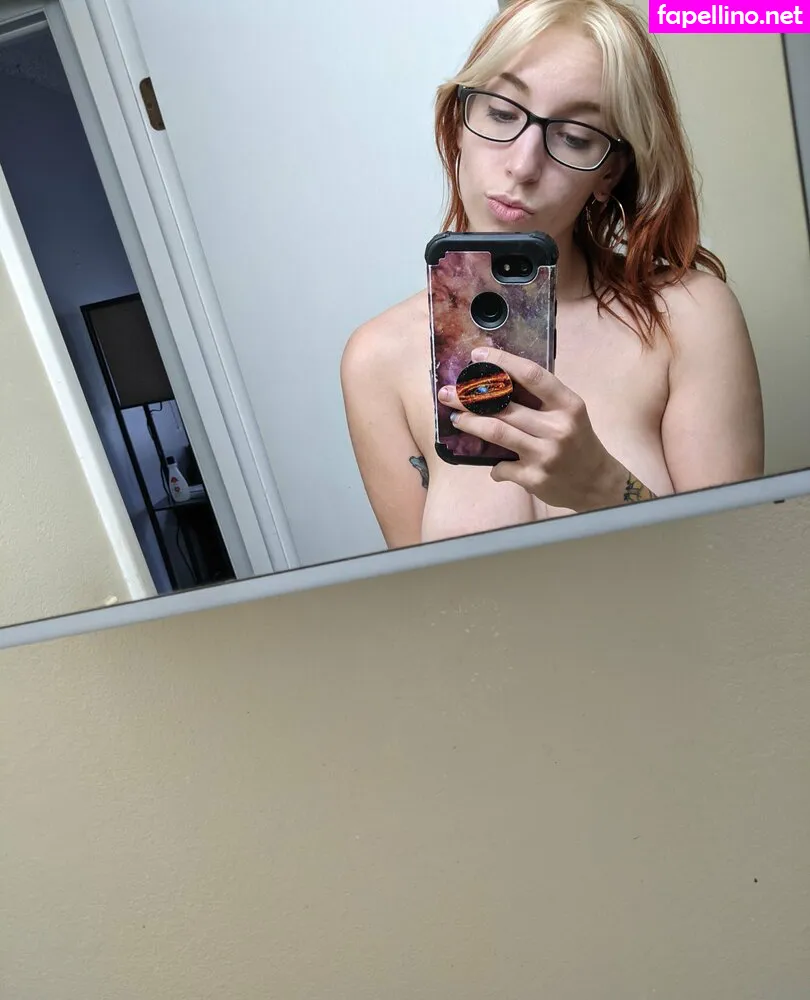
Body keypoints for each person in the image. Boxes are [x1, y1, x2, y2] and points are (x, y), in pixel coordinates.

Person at [340, 0, 764, 549]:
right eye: (501, 112)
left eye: (574, 136)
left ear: (609, 172)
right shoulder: (377, 359)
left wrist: (603, 486)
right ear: (458, 124)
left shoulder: (689, 317)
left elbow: (737, 572)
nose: (522, 166)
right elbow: (424, 596)